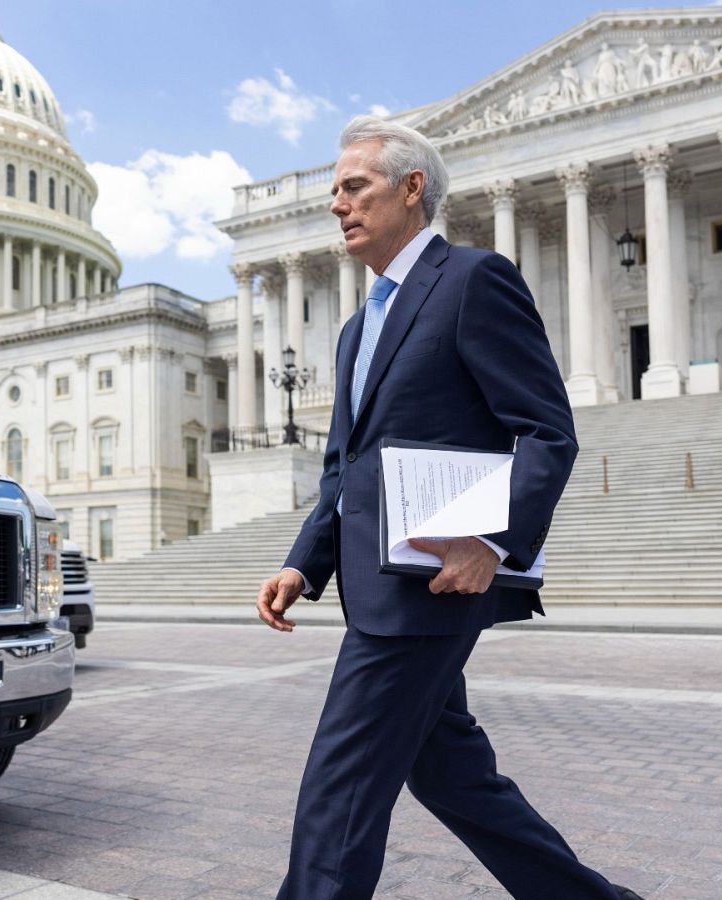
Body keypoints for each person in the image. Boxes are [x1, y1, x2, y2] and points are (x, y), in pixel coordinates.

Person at [255, 116, 639, 900]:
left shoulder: (472, 279)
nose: (337, 205)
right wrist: (304, 560)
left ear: (412, 188)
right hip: (376, 580)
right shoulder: (359, 326)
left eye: (354, 186)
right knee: (453, 776)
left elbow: (547, 431)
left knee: (342, 786)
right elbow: (344, 467)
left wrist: (491, 542)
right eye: (333, 191)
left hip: (428, 584)